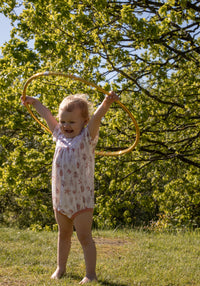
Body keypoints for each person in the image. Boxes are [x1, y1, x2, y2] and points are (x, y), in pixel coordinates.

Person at [21, 90, 119, 284]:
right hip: (61, 197)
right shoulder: (58, 134)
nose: (65, 126)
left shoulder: (87, 138)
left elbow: (97, 118)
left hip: (81, 199)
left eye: (71, 122)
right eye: (63, 121)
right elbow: (47, 116)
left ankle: (90, 274)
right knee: (63, 234)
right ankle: (60, 268)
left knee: (84, 237)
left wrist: (106, 104)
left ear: (84, 121)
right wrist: (35, 102)